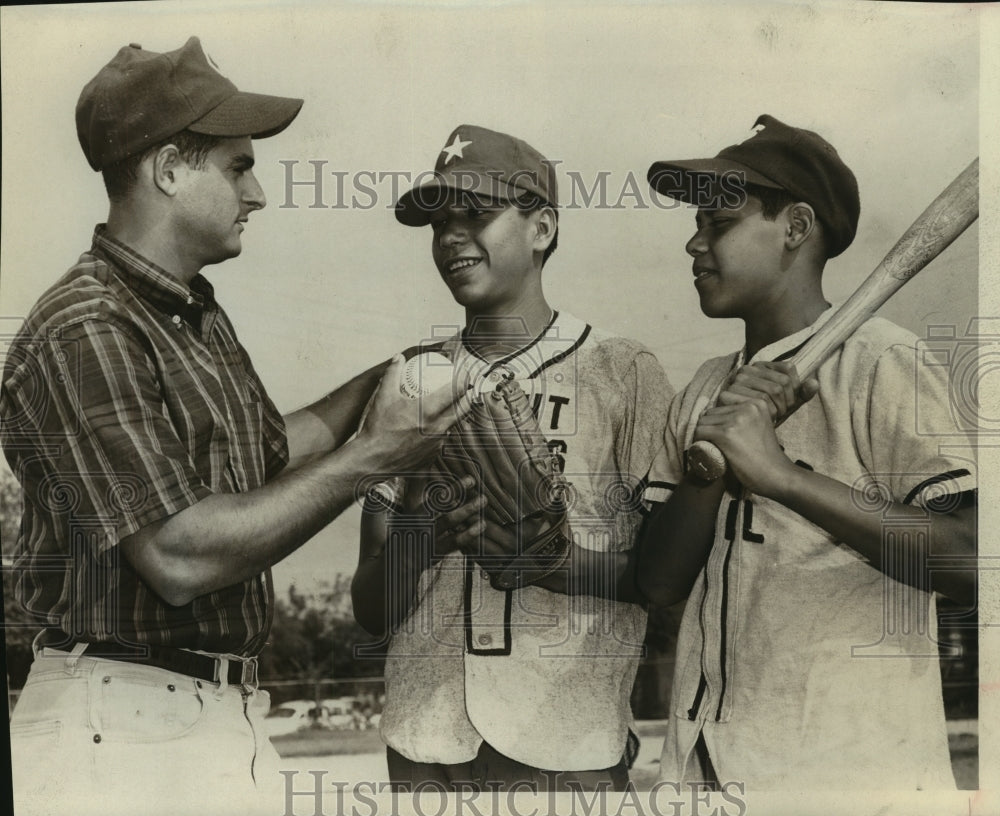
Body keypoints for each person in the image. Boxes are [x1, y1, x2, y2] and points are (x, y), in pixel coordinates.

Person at [0, 38, 467, 816]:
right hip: (121, 723)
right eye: (239, 166)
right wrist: (376, 456)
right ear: (169, 170)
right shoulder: (85, 324)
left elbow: (270, 455)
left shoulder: (188, 310)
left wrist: (393, 376)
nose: (259, 194)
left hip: (198, 715)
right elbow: (178, 554)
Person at [637, 115, 977, 789]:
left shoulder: (882, 362)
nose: (693, 243)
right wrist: (711, 471)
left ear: (795, 227)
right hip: (699, 762)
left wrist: (782, 478)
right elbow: (656, 584)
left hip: (850, 770)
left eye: (718, 223)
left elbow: (972, 559)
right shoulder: (704, 390)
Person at [351, 125, 676, 792]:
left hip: (565, 735)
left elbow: (668, 579)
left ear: (542, 229)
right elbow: (371, 609)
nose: (450, 236)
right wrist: (424, 534)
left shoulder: (620, 370)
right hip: (426, 737)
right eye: (438, 222)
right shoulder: (410, 381)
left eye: (476, 214)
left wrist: (555, 564)